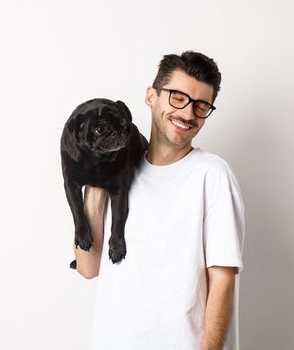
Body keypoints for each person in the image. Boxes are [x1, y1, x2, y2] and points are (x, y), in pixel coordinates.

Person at [72, 50, 246, 350]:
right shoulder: (119, 172)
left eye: (201, 105)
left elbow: (222, 280)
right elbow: (88, 266)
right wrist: (98, 177)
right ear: (151, 96)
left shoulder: (211, 174)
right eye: (177, 97)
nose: (188, 114)